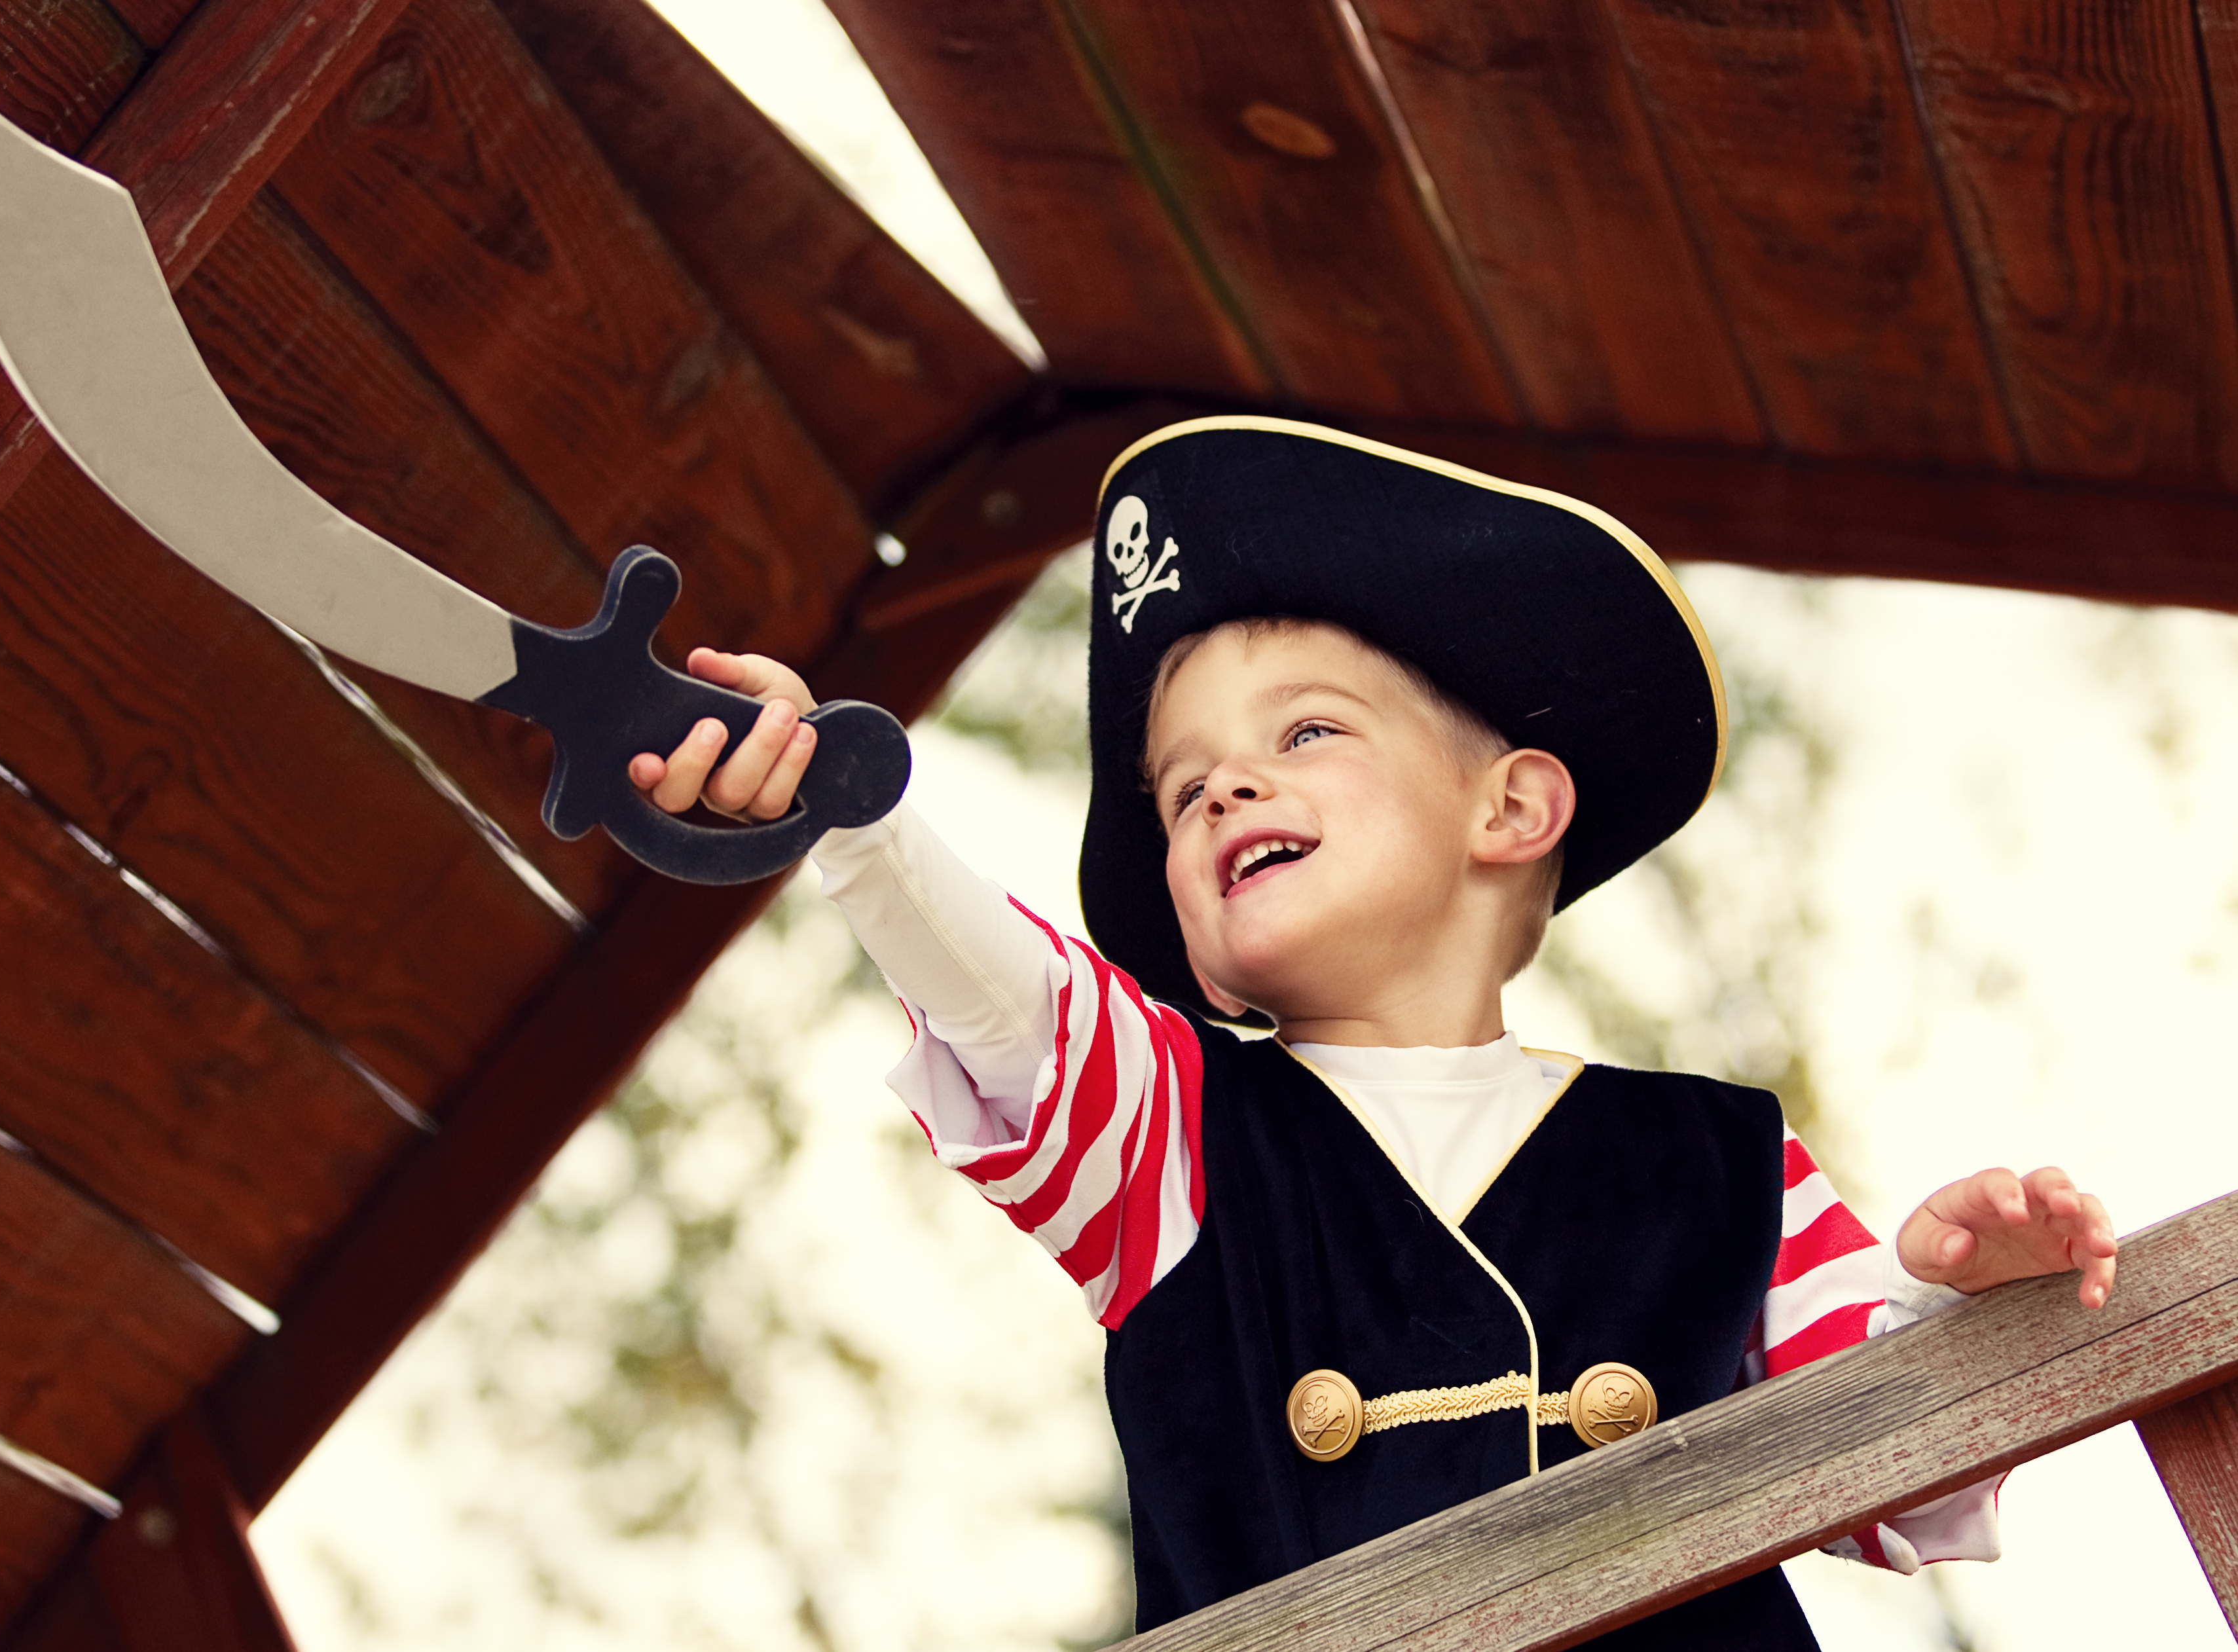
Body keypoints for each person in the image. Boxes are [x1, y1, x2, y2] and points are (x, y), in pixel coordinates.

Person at [628, 417, 2118, 1647]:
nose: (1222, 788)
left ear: (1510, 807)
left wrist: (1981, 1303)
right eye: (1179, 783)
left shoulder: (1717, 1158)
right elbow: (1012, 1000)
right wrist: (857, 819)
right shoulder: (1168, 1139)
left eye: (1306, 731)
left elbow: (1893, 1458)